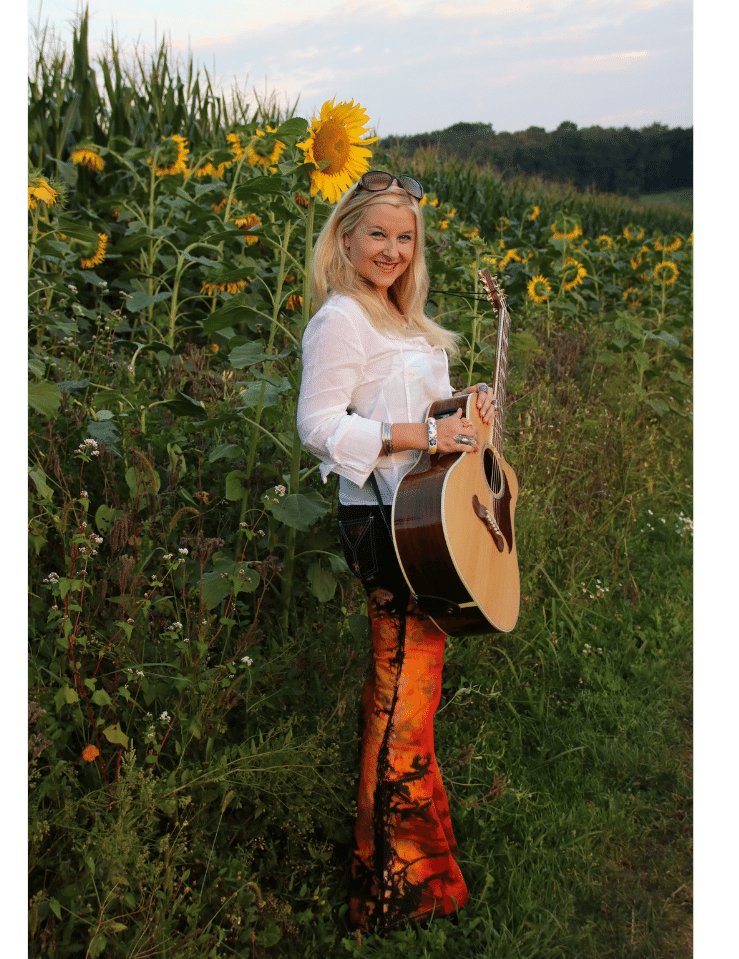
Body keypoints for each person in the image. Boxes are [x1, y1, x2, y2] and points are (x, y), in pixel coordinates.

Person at [295, 171, 498, 934]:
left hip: (422, 515)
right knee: (401, 694)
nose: (392, 249)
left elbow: (421, 414)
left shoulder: (401, 319)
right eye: (377, 234)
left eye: (405, 237)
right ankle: (391, 885)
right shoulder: (342, 318)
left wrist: (465, 410)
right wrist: (423, 433)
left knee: (412, 689)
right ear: (345, 238)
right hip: (384, 523)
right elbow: (318, 425)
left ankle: (421, 864)